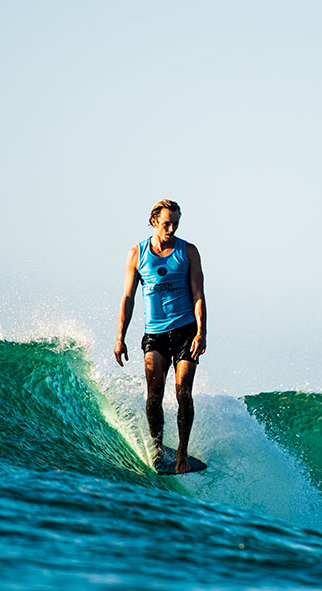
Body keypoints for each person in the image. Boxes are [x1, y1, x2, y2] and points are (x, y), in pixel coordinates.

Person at [114, 199, 207, 474]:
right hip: (155, 335)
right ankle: (157, 448)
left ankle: (181, 455)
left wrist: (202, 331)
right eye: (167, 223)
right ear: (154, 221)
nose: (171, 228)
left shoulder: (188, 252)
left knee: (184, 394)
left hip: (186, 332)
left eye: (175, 223)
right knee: (154, 395)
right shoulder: (137, 254)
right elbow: (128, 297)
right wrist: (120, 336)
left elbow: (199, 294)